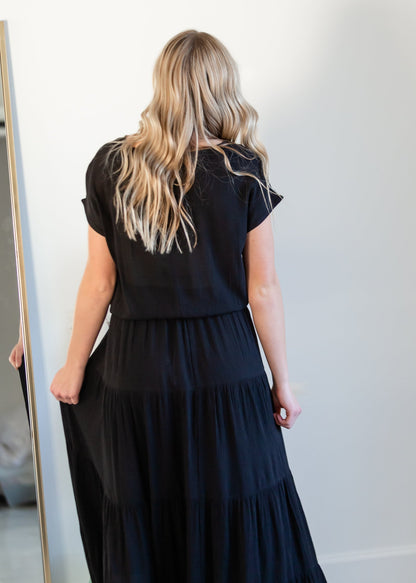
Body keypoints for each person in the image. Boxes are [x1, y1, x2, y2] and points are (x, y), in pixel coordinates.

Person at [50, 29, 327, 583]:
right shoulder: (241, 170)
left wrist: (74, 367)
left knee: (152, 508)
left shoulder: (111, 166)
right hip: (226, 363)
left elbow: (99, 283)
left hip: (137, 367)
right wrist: (283, 383)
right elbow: (263, 290)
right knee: (240, 501)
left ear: (163, 86)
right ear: (221, 88)